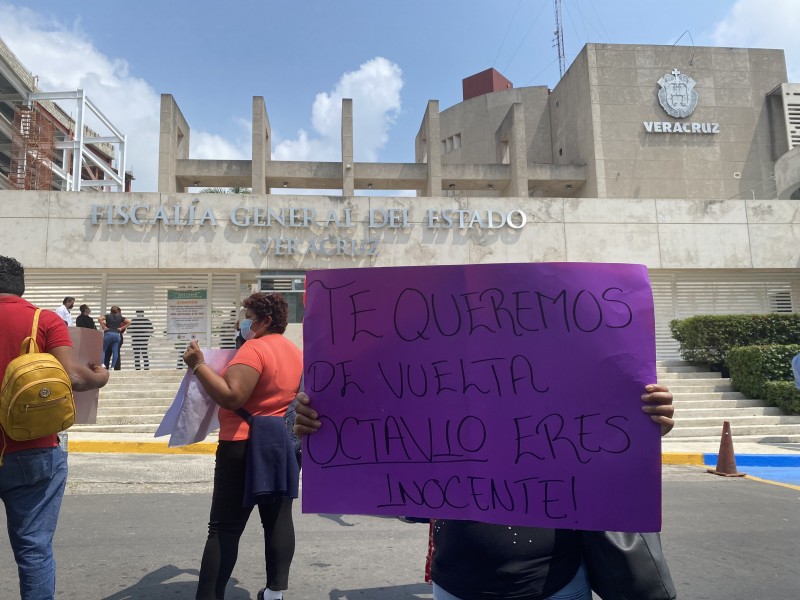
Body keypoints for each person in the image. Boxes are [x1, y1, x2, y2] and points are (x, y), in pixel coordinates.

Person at [293, 385, 675, 600]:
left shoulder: (565, 398)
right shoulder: (435, 404)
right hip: (456, 585)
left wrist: (641, 426)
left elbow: (606, 461)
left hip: (555, 584)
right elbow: (402, 496)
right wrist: (324, 434)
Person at [0, 256, 109, 599]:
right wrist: (101, 376)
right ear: (21, 286)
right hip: (33, 447)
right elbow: (76, 377)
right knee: (34, 550)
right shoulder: (42, 320)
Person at [182, 292, 302, 600]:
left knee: (223, 528)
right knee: (277, 519)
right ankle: (275, 594)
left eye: (248, 314)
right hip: (279, 444)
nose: (242, 321)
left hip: (241, 445)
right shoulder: (294, 352)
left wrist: (198, 366)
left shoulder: (254, 349)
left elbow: (232, 396)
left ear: (266, 321)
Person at [98, 306, 130, 370]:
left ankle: (102, 364)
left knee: (104, 350)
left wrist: (103, 326)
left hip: (108, 334)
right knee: (115, 351)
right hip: (117, 335)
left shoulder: (107, 316)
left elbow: (99, 319)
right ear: (118, 311)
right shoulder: (120, 317)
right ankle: (113, 367)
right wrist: (121, 328)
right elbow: (129, 322)